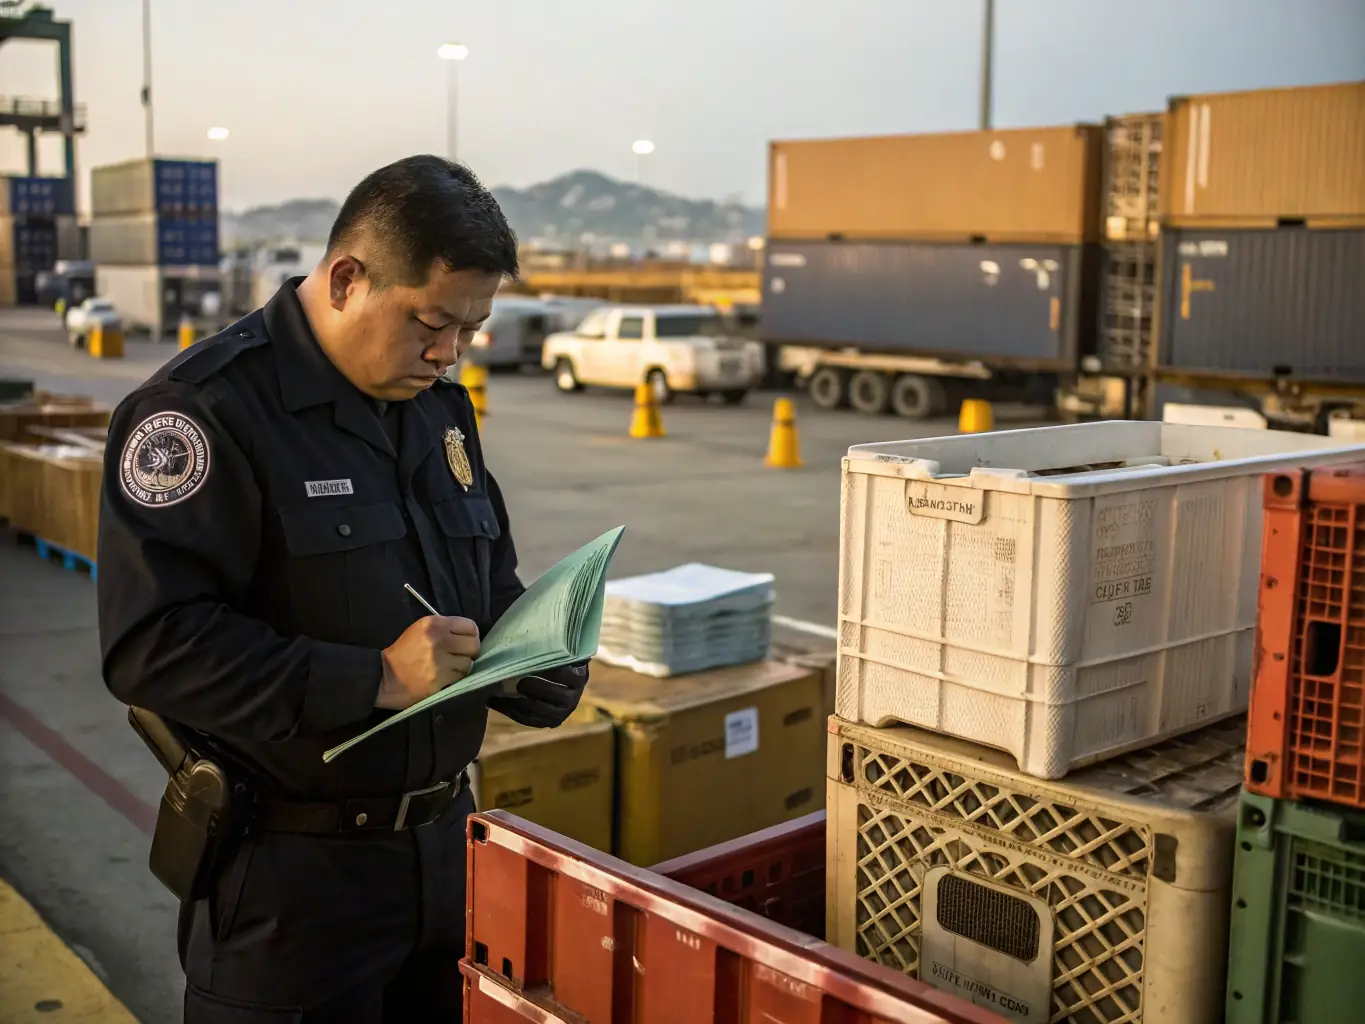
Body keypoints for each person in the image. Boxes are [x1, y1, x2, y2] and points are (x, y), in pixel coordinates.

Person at [96, 155, 589, 1022]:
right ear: (347, 280)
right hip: (292, 884)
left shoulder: (438, 407)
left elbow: (486, 581)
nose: (448, 354)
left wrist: (532, 660)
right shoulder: (203, 413)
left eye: (470, 331)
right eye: (431, 322)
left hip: (443, 857)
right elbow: (151, 646)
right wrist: (375, 680)